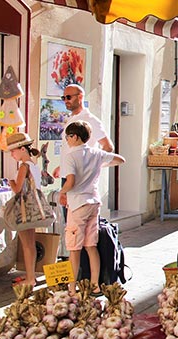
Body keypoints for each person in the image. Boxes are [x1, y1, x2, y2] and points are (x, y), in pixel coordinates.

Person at [59, 121, 125, 296]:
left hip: (78, 203)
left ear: (75, 137)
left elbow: (70, 181)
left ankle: (72, 288)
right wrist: (99, 165)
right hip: (94, 202)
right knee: (91, 245)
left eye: (67, 137)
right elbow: (120, 160)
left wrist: (62, 191)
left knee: (74, 249)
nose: (66, 140)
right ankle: (95, 285)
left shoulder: (70, 156)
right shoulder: (96, 153)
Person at [52, 84, 114, 179]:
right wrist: (62, 167)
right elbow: (70, 149)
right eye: (63, 98)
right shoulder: (71, 119)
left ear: (80, 97)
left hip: (80, 177)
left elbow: (108, 147)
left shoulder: (90, 120)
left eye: (68, 97)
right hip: (67, 175)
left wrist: (91, 167)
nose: (65, 101)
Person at [4, 132, 41, 287]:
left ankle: (30, 279)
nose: (12, 154)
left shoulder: (23, 167)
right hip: (34, 208)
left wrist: (10, 181)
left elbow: (18, 189)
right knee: (30, 244)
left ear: (22, 149)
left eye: (13, 150)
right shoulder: (34, 165)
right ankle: (31, 275)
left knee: (26, 244)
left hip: (24, 209)